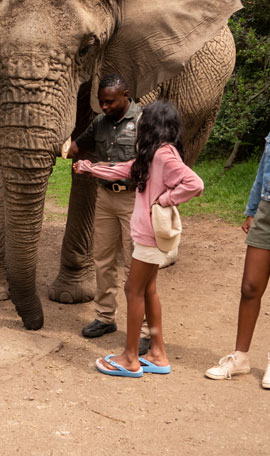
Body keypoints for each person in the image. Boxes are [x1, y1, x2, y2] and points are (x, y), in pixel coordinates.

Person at [74, 100, 203, 377]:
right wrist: (90, 167)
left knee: (133, 290)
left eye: (144, 120)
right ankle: (158, 353)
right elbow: (125, 170)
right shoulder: (155, 154)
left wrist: (164, 200)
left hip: (148, 237)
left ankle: (130, 357)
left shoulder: (163, 156)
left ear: (152, 125)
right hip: (149, 236)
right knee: (148, 291)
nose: (139, 124)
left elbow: (195, 183)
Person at [205, 71, 270, 389]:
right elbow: (262, 174)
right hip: (267, 213)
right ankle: (239, 357)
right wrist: (252, 211)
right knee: (250, 287)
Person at [68, 74, 151, 354]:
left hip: (133, 199)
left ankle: (145, 330)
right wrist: (57, 144)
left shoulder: (144, 122)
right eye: (101, 102)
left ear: (126, 95)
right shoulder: (100, 123)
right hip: (104, 196)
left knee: (135, 263)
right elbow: (78, 146)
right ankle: (105, 317)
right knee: (102, 259)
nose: (104, 107)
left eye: (110, 102)